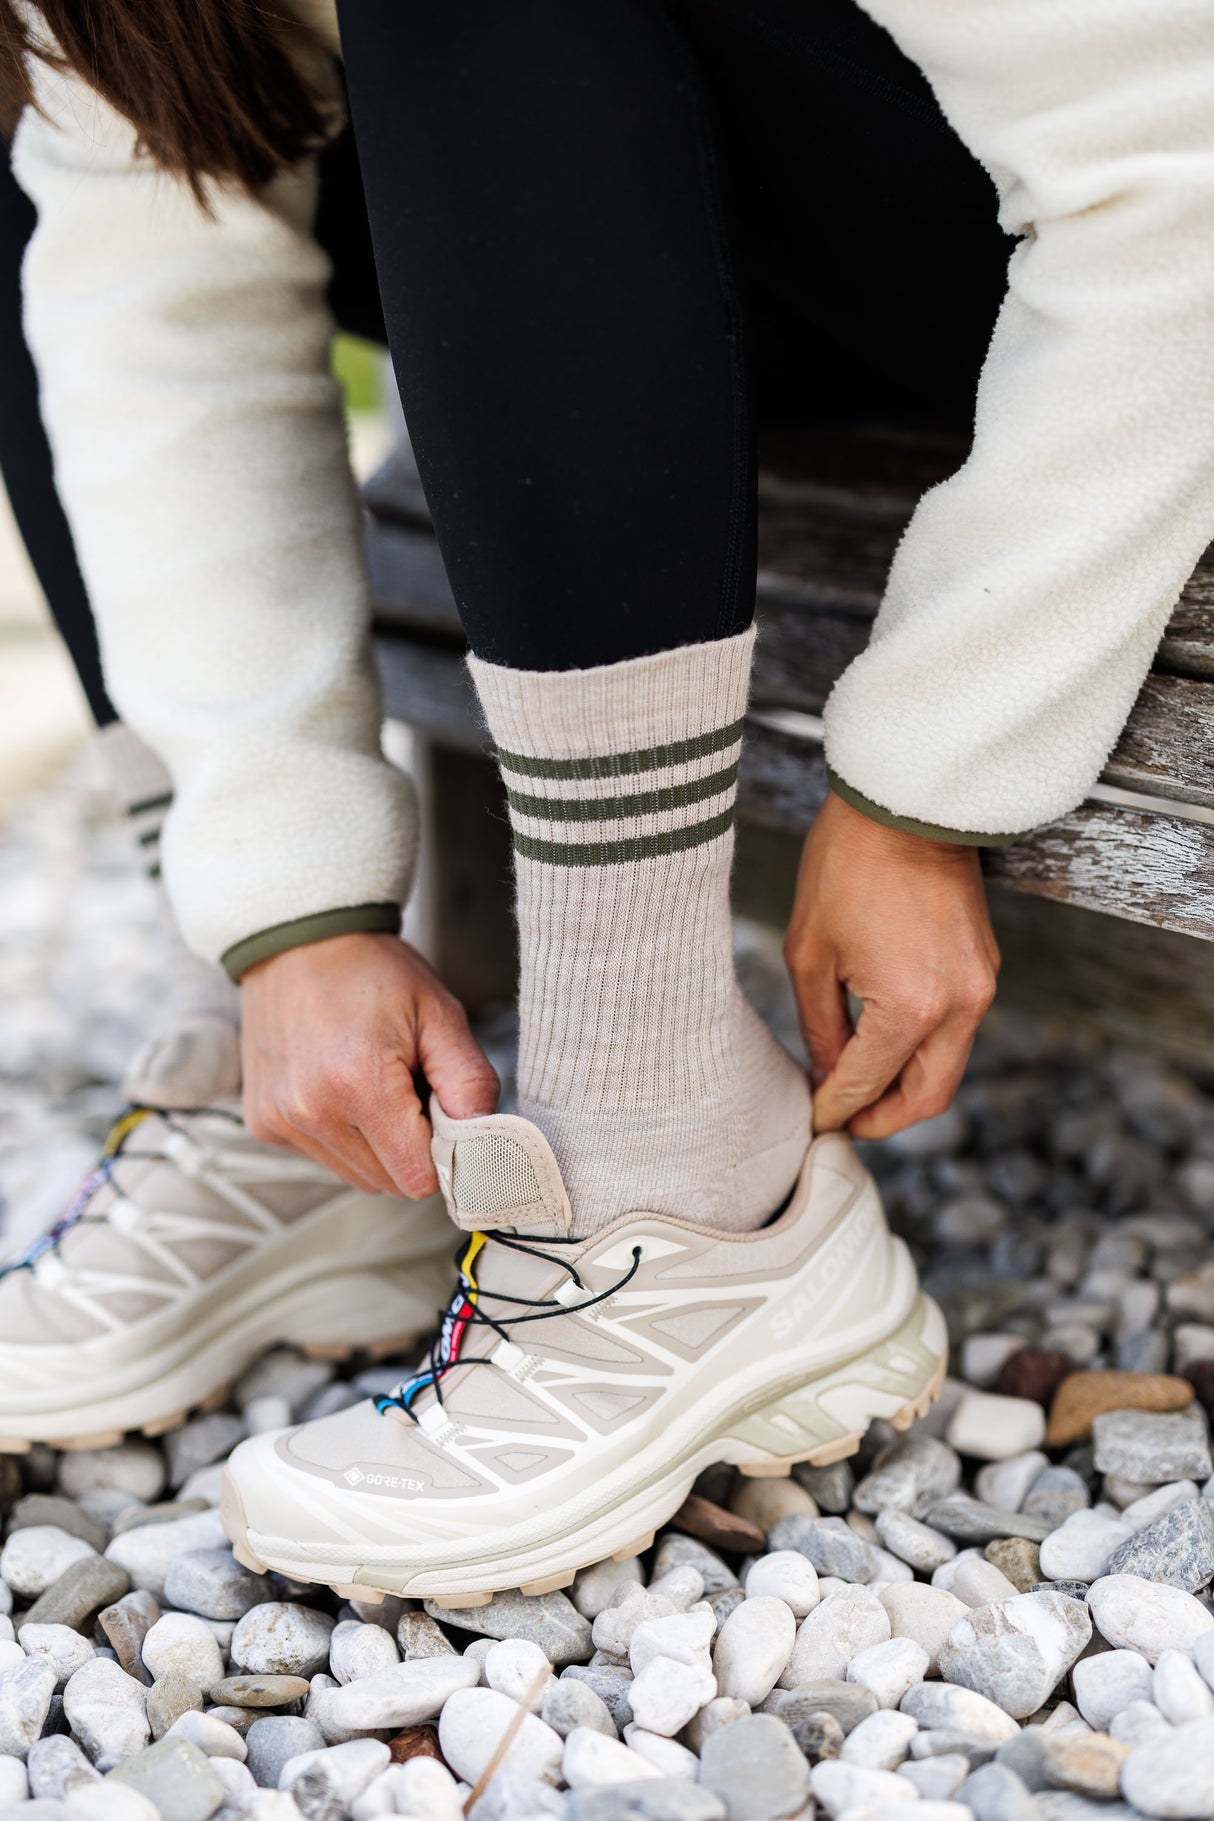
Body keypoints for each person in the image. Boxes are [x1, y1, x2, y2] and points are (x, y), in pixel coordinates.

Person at [3, 0, 1210, 1601]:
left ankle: (669, 1166)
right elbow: (155, 315)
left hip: (1068, 240)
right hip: (664, 229)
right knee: (96, 125)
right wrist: (282, 924)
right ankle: (299, 1114)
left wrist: (924, 783)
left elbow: (1173, 170)